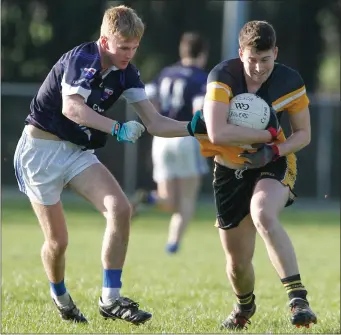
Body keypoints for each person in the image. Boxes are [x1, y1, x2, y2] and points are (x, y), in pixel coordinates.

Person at [13, 5, 198, 324]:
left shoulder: (127, 73)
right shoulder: (83, 59)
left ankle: (110, 299)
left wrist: (195, 127)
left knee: (121, 209)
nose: (129, 54)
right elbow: (72, 109)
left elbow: (154, 122)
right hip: (40, 152)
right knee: (58, 242)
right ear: (104, 41)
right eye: (123, 47)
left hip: (77, 152)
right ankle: (60, 296)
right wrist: (116, 128)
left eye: (134, 47)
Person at [191, 20, 317, 329]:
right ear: (240, 53)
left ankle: (297, 299)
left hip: (272, 162)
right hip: (229, 168)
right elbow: (218, 133)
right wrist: (269, 134)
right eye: (252, 60)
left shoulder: (290, 81)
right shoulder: (222, 76)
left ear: (275, 53)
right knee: (237, 264)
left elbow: (303, 134)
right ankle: (244, 307)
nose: (259, 68)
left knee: (262, 213)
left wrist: (274, 150)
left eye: (265, 59)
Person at [132, 32, 210, 254]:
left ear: (182, 51)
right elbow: (199, 111)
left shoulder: (165, 73)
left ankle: (147, 198)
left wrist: (158, 123)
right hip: (186, 137)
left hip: (162, 138)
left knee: (168, 199)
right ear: (203, 53)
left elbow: (149, 101)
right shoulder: (201, 78)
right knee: (187, 198)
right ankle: (173, 244)